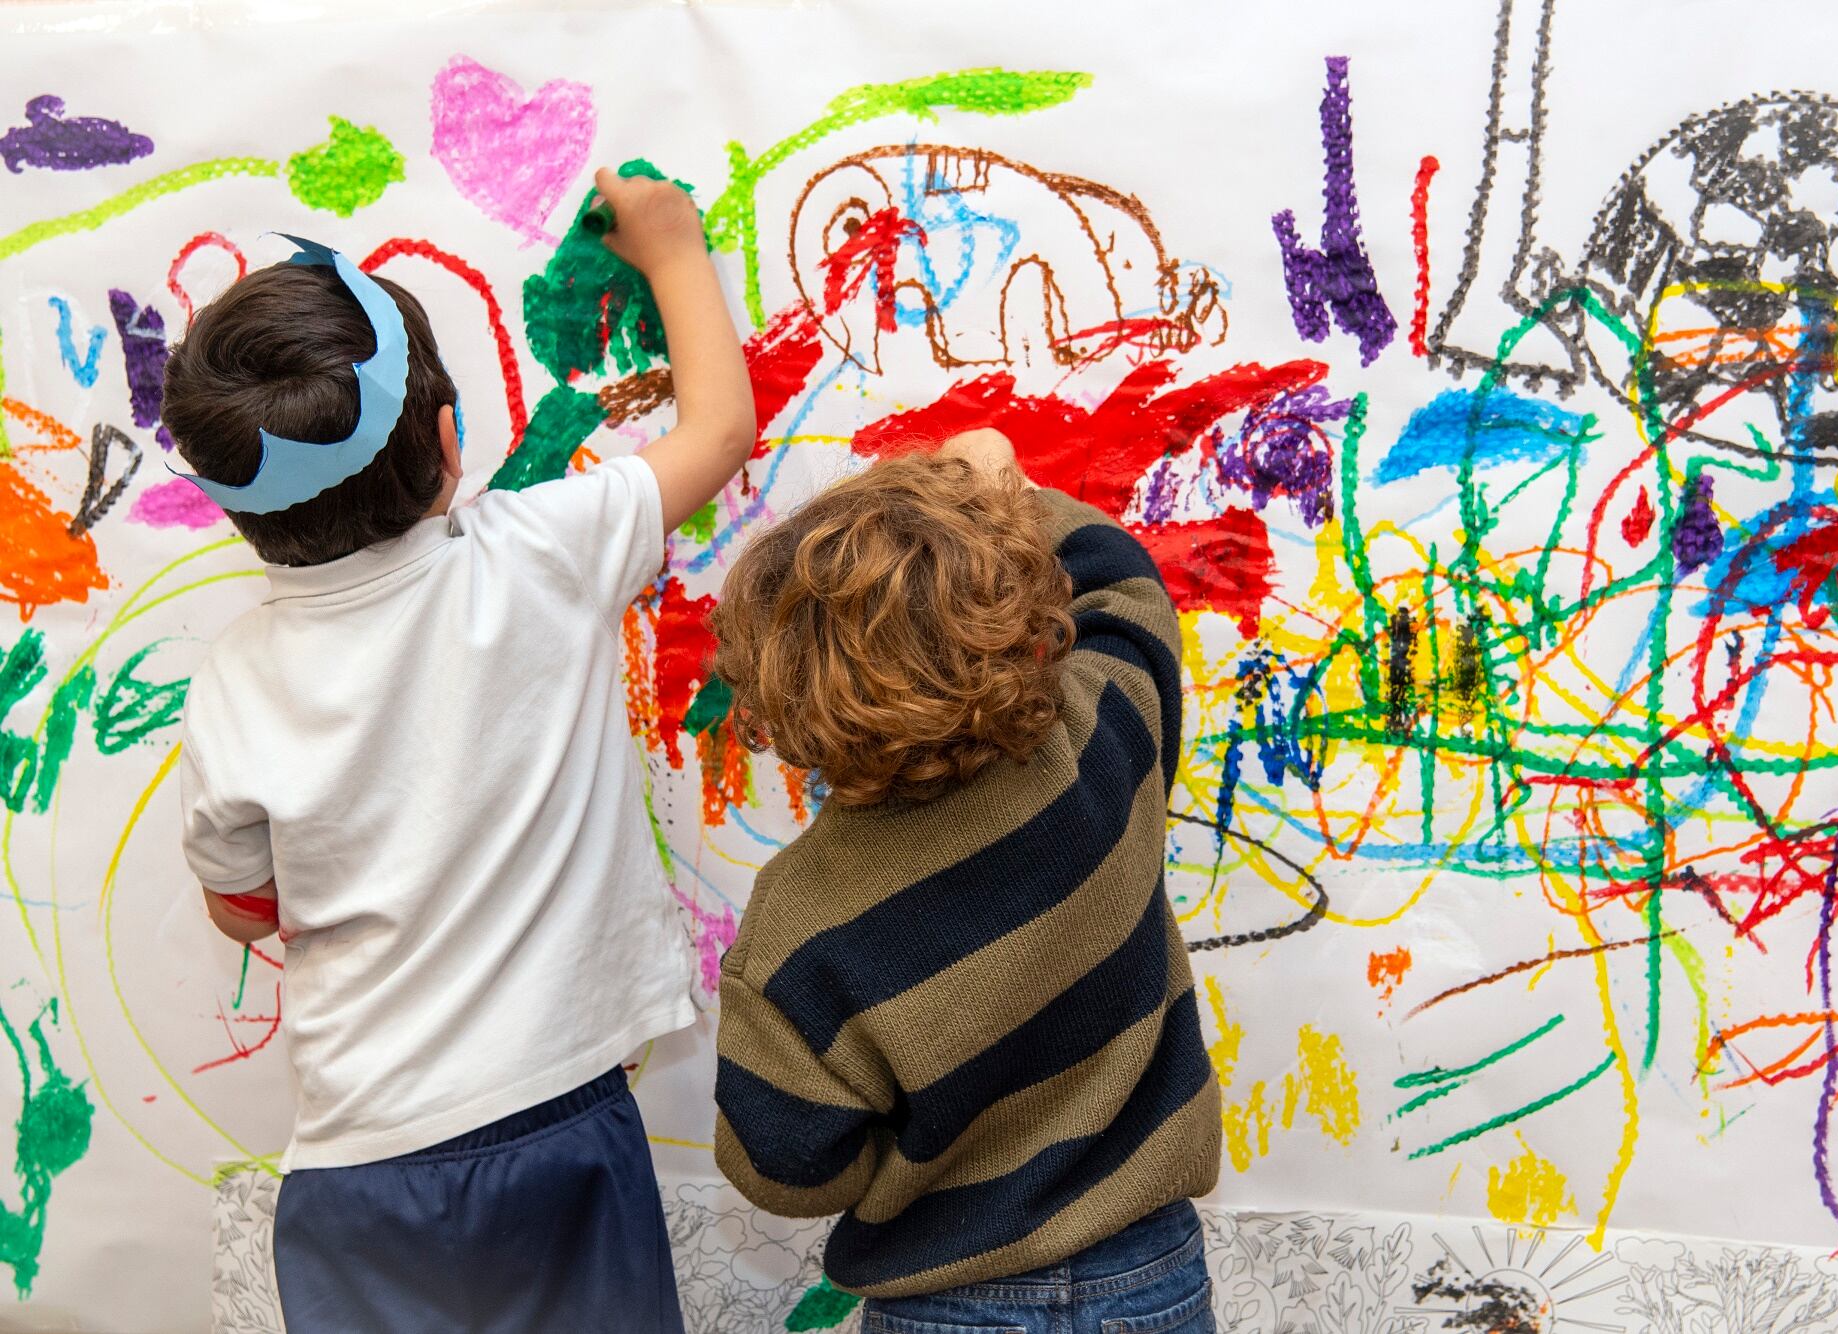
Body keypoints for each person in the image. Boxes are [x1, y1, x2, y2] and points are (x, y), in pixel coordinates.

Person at [164, 168, 752, 1333]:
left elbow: (242, 906)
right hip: (556, 1125)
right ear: (447, 441)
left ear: (236, 509)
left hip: (358, 1171)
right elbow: (719, 430)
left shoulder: (232, 678)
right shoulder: (538, 551)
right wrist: (672, 247)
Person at [707, 430, 1221, 1332]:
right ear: (1009, 616)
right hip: (1149, 1278)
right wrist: (1005, 497)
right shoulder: (1102, 743)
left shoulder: (800, 920)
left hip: (941, 1302)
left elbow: (782, 1166)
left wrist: (915, 1161)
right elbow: (1125, 584)